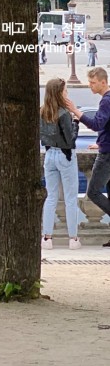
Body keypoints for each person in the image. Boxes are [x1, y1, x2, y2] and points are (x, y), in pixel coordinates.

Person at [40, 77, 82, 250]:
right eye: (65, 91)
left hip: (50, 154)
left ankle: (47, 237)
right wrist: (76, 122)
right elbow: (70, 140)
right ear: (59, 93)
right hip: (65, 156)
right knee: (70, 198)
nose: (67, 93)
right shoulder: (64, 113)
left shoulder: (42, 111)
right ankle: (73, 238)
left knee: (51, 197)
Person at [78, 65, 110, 242]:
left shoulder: (106, 100)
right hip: (105, 147)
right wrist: (100, 142)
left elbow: (97, 124)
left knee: (94, 192)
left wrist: (77, 113)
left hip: (107, 155)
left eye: (93, 82)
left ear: (103, 82)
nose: (90, 85)